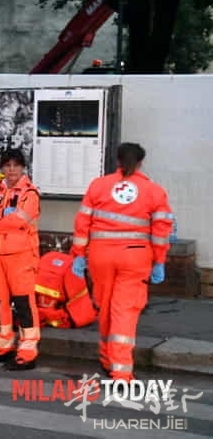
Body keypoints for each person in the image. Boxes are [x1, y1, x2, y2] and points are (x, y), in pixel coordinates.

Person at [71, 142, 174, 382]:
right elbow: (161, 230)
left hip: (100, 255)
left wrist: (78, 254)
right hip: (135, 257)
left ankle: (108, 359)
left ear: (117, 161)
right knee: (124, 311)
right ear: (140, 163)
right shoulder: (154, 191)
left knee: (105, 307)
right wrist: (159, 260)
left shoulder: (99, 186)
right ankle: (122, 371)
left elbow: (82, 223)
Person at [0, 148, 41, 370]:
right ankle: (3, 346)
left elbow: (20, 220)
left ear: (23, 167)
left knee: (24, 303)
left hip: (21, 256)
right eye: (7, 165)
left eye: (16, 165)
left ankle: (27, 351)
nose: (12, 169)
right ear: (2, 168)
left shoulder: (30, 193)